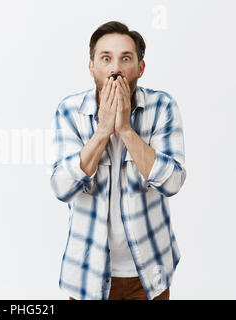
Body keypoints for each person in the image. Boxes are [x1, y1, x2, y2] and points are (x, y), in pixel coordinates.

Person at [49, 21, 186, 300]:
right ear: (91, 67)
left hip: (149, 275)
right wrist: (103, 131)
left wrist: (125, 129)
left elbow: (172, 181)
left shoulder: (163, 107)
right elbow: (61, 187)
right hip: (88, 275)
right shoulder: (69, 111)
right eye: (106, 58)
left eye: (126, 58)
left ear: (140, 68)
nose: (115, 68)